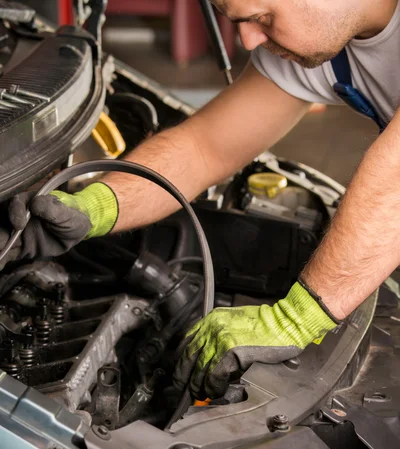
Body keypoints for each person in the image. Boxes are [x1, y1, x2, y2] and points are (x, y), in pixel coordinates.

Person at [1, 0, 399, 399]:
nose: (247, 38)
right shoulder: (325, 39)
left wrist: (296, 319)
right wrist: (93, 208)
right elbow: (205, 147)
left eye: (262, 17)